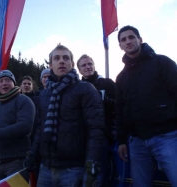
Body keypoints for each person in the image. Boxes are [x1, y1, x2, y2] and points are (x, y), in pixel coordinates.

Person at [24, 45, 106, 187]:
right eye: (57, 58)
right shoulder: (44, 94)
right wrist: (32, 153)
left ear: (72, 64)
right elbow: (39, 129)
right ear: (50, 65)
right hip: (45, 168)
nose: (61, 61)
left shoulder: (85, 89)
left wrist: (91, 165)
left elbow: (95, 130)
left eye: (65, 58)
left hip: (73, 169)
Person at [116, 25, 177, 187]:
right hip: (136, 142)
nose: (128, 41)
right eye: (123, 39)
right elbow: (121, 110)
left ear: (140, 39)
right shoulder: (121, 77)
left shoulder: (161, 62)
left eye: (131, 37)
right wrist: (122, 140)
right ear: (120, 46)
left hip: (167, 137)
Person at [77, 54, 116, 187]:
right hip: (79, 138)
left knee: (97, 175)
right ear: (79, 70)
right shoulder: (77, 87)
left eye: (89, 64)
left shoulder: (107, 83)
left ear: (94, 65)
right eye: (83, 65)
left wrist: (104, 100)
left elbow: (120, 105)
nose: (87, 67)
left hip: (101, 136)